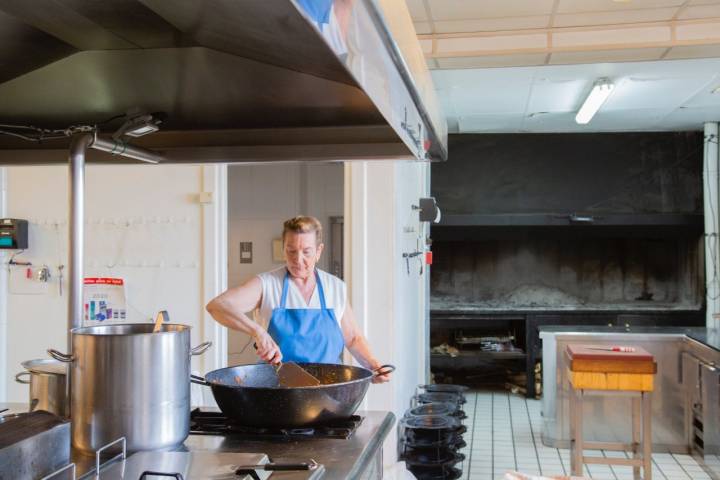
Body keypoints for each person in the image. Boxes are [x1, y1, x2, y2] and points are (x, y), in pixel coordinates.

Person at [206, 215, 391, 383]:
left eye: (306, 252)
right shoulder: (268, 284)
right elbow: (218, 306)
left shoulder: (335, 287)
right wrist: (257, 332)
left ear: (319, 251)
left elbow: (352, 338)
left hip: (329, 389)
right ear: (283, 249)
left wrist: (373, 366)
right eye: (291, 251)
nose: (298, 259)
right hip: (276, 390)